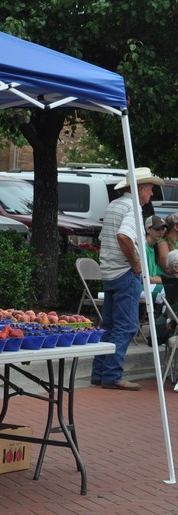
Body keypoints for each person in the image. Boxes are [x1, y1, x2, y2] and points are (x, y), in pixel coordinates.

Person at [91, 167, 163, 391]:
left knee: (110, 325)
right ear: (141, 188)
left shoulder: (115, 205)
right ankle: (112, 375)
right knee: (126, 326)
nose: (151, 194)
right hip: (124, 273)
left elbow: (109, 237)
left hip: (110, 271)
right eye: (150, 189)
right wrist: (136, 264)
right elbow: (124, 237)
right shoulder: (132, 209)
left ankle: (100, 372)